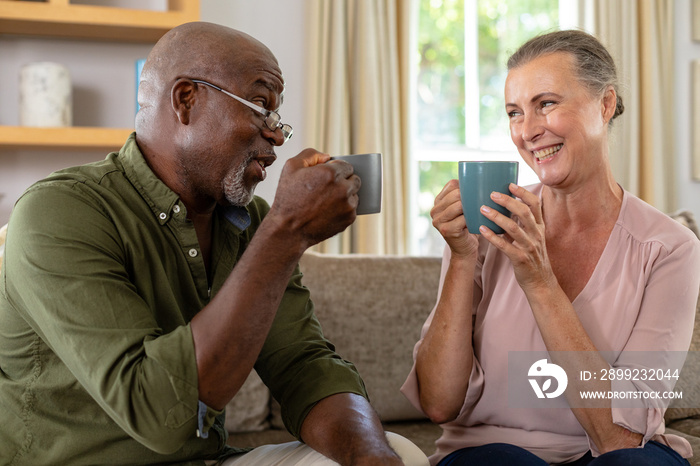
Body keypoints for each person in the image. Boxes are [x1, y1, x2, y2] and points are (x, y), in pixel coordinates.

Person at [0, 21, 429, 466]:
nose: (278, 135)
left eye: (278, 116)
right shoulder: (61, 212)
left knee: (400, 451)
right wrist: (287, 233)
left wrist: (373, 459)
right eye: (260, 106)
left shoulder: (253, 225)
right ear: (186, 100)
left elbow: (303, 367)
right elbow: (155, 414)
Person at [401, 29, 700, 466]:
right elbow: (439, 405)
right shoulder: (484, 231)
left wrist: (540, 282)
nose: (528, 131)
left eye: (546, 104)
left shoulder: (669, 249)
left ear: (605, 104)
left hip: (614, 453)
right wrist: (463, 258)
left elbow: (618, 436)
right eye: (514, 113)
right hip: (493, 455)